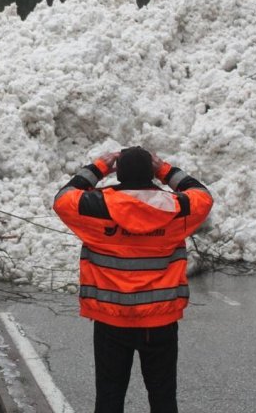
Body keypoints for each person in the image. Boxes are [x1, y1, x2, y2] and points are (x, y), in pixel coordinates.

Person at [52, 146, 213, 413]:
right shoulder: (176, 208)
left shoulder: (98, 207)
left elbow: (63, 198)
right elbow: (202, 196)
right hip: (160, 321)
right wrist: (164, 169)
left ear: (120, 174)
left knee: (109, 397)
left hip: (111, 320)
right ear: (151, 174)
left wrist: (99, 167)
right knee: (163, 397)